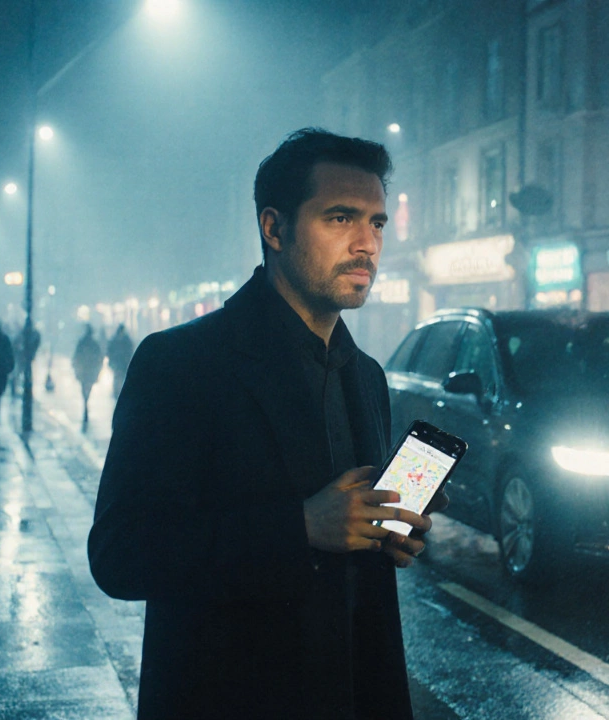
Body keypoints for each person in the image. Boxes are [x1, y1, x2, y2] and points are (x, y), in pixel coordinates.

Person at [88, 129, 439, 719]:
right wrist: (299, 526)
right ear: (274, 229)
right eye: (340, 218)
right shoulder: (182, 363)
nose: (366, 244)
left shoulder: (367, 376)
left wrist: (390, 534)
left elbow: (350, 550)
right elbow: (120, 554)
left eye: (377, 223)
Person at [72, 325, 104, 425]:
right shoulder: (94, 344)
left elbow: (77, 355)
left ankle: (85, 402)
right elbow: (99, 357)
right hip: (90, 370)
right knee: (88, 387)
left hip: (84, 369)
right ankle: (86, 402)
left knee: (84, 387)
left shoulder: (82, 343)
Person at [105, 324, 135, 398]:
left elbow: (109, 350)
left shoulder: (116, 339)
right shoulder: (126, 340)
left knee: (119, 377)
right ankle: (118, 392)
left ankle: (118, 392)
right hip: (120, 363)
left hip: (120, 363)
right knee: (119, 377)